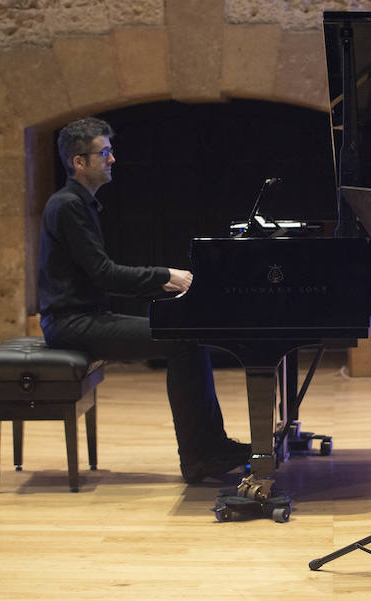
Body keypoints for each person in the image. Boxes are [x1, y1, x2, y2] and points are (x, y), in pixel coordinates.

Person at [38, 117, 250, 484]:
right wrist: (166, 277)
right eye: (103, 152)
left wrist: (161, 281)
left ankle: (210, 447)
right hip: (70, 324)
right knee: (181, 339)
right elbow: (104, 273)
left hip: (82, 317)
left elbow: (100, 275)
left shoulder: (79, 204)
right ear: (79, 162)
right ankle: (200, 456)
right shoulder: (68, 206)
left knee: (186, 335)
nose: (112, 159)